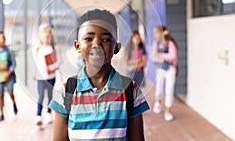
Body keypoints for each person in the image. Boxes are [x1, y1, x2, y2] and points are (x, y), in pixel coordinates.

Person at [49, 9, 149, 141]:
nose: (96, 44)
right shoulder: (65, 92)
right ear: (78, 46)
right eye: (89, 38)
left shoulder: (131, 90)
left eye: (106, 39)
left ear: (116, 47)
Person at [34, 24, 61, 126]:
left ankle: (49, 114)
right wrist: (41, 70)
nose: (46, 39)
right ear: (40, 37)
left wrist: (51, 68)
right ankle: (38, 115)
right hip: (40, 77)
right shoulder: (38, 49)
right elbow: (37, 63)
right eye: (44, 37)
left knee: (50, 95)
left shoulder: (54, 48)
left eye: (48, 36)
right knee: (41, 96)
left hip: (51, 77)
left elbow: (59, 61)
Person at [0, 31, 18, 122]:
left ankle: (14, 103)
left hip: (9, 76)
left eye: (4, 38)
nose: (4, 39)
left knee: (10, 92)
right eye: (2, 38)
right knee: (0, 95)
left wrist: (8, 73)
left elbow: (13, 64)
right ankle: (1, 114)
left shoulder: (9, 51)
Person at [151, 25, 178, 121]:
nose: (155, 35)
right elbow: (153, 57)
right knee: (158, 89)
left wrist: (161, 56)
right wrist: (165, 58)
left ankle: (168, 111)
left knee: (169, 90)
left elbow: (173, 56)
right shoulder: (156, 43)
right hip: (160, 69)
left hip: (170, 69)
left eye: (156, 33)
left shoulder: (170, 43)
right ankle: (158, 102)